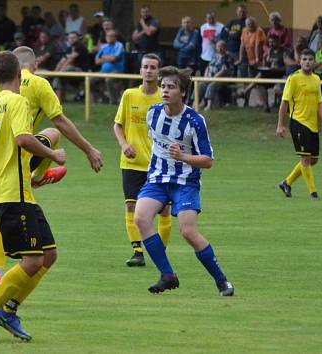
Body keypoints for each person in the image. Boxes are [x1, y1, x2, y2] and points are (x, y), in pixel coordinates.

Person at [0, 46, 103, 292]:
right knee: (51, 133)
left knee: (3, 213)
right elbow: (59, 121)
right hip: (18, 156)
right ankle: (38, 177)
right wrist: (88, 149)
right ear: (30, 68)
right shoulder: (37, 85)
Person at [0, 51, 67, 343]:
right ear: (21, 76)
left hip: (15, 192)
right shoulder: (18, 101)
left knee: (48, 255)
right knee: (32, 261)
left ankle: (9, 309)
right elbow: (24, 139)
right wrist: (53, 154)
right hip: (13, 194)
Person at [134, 66, 234, 297]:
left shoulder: (195, 121)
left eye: (171, 87)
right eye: (164, 86)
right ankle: (167, 275)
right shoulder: (153, 113)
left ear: (183, 93)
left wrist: (183, 157)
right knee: (140, 217)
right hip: (158, 179)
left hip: (185, 182)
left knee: (188, 232)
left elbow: (208, 161)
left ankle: (222, 281)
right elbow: (158, 145)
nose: (165, 91)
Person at [114, 54, 172, 267]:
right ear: (140, 71)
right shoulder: (129, 95)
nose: (149, 70)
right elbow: (117, 125)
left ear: (159, 72)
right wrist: (124, 145)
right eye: (145, 67)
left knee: (164, 210)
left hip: (159, 165)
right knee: (131, 207)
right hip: (131, 164)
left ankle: (160, 252)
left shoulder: (164, 98)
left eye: (153, 67)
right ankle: (137, 252)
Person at [277, 49, 322, 200]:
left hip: (313, 125)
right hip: (298, 122)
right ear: (300, 62)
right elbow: (284, 103)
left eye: (310, 59)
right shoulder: (293, 79)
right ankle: (313, 193)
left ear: (314, 62)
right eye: (304, 59)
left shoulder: (316, 79)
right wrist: (280, 125)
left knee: (313, 160)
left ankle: (287, 182)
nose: (307, 62)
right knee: (305, 159)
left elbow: (320, 103)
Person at [53, 31, 89, 102]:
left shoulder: (80, 46)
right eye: (70, 38)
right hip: (70, 70)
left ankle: (81, 92)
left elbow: (71, 58)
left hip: (81, 71)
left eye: (74, 38)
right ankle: (58, 102)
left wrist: (61, 71)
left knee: (65, 70)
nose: (72, 39)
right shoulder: (69, 49)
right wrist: (54, 72)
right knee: (57, 78)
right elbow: (62, 61)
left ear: (78, 38)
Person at [199, 40, 234, 111]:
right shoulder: (214, 56)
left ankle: (209, 105)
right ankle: (195, 104)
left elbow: (224, 70)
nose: (220, 49)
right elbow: (208, 67)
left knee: (211, 85)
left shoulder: (228, 58)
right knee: (201, 85)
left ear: (225, 48)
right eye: (218, 47)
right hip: (210, 78)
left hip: (221, 79)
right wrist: (205, 77)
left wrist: (213, 78)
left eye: (222, 47)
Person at [93, 29, 125, 104]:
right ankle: (103, 98)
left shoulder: (119, 45)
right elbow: (97, 61)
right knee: (90, 80)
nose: (109, 38)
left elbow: (114, 58)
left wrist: (103, 57)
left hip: (117, 71)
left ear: (115, 37)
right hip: (103, 71)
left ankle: (113, 101)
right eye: (108, 36)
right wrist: (109, 58)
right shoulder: (103, 46)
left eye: (111, 36)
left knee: (108, 80)